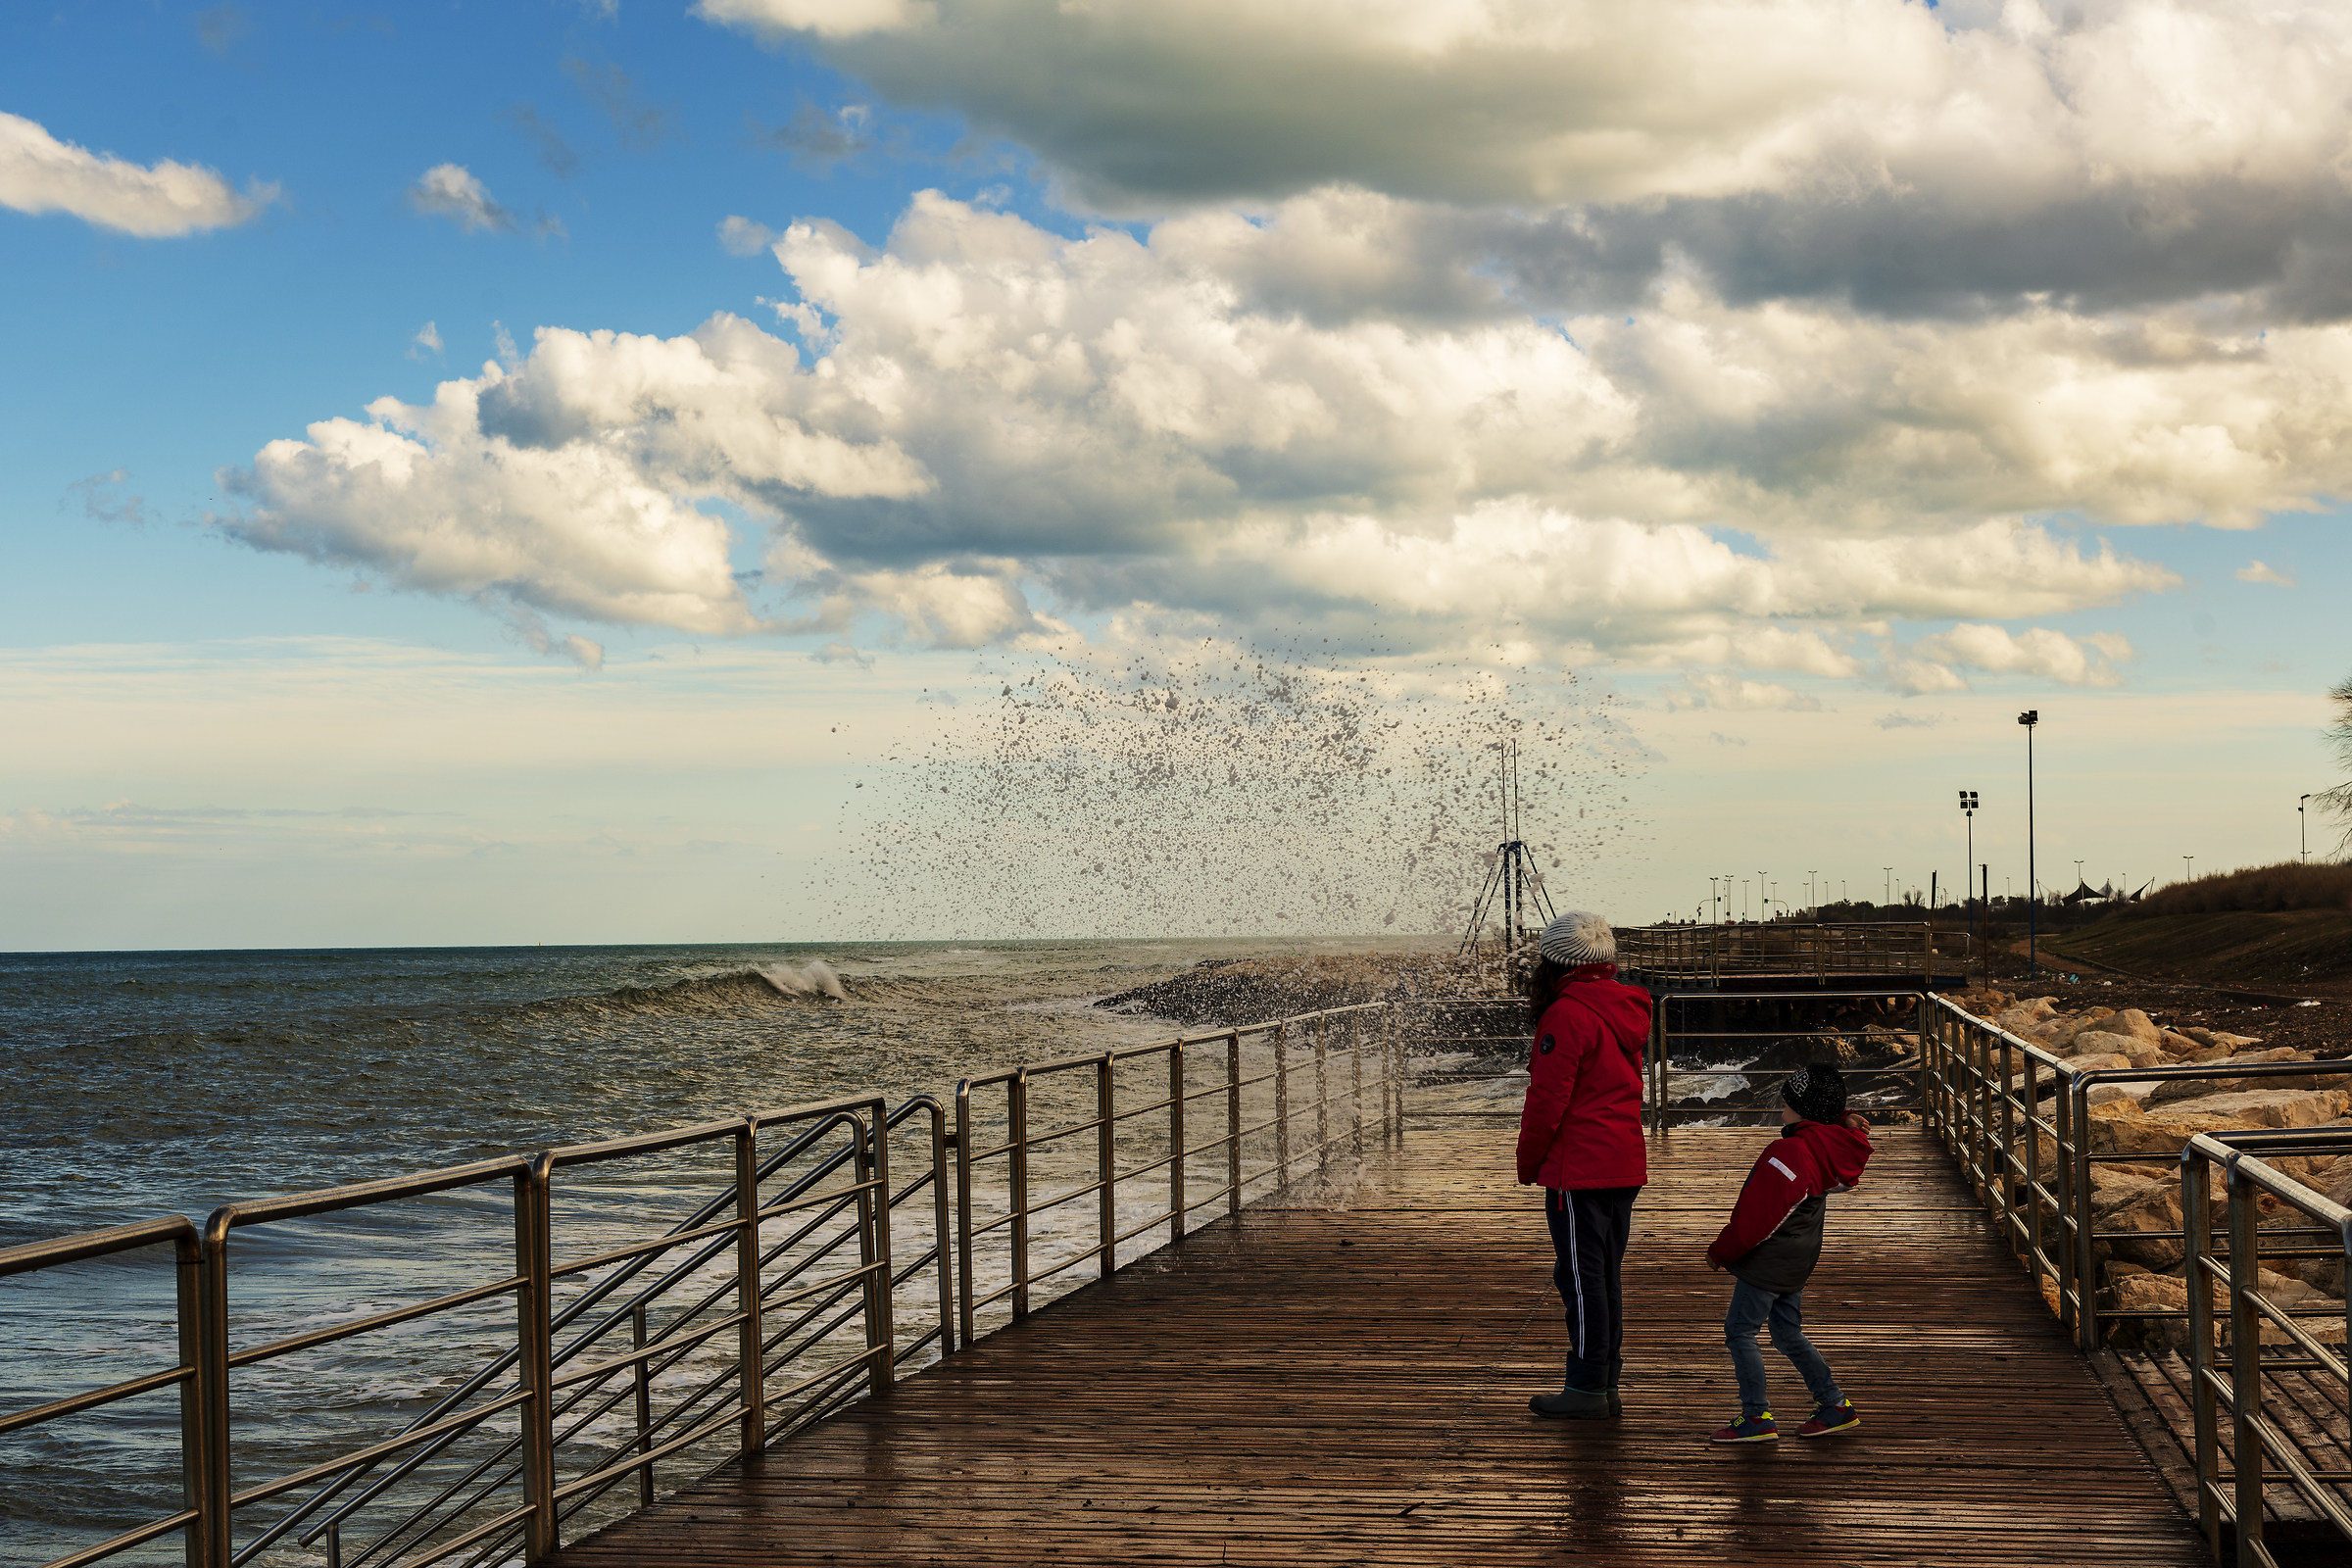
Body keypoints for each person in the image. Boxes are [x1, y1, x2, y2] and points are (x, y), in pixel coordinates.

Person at [1515, 910, 1653, 1420]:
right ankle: (1604, 1381)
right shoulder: (1625, 1006)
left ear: (1553, 963)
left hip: (1580, 1168)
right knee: (1603, 1277)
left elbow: (1548, 1098)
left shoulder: (1567, 1014)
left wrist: (1529, 1162)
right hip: (1621, 1161)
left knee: (1579, 1278)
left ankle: (1587, 1388)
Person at [1703, 1062, 1874, 1444]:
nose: (1782, 1109)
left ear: (1802, 1108)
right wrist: (1843, 1118)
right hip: (1798, 1258)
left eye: (1787, 1103)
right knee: (1786, 1333)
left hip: (1770, 1262)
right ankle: (1834, 1405)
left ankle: (1756, 1416)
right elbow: (1825, 1120)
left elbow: (1760, 1217)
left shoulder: (1791, 1153)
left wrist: (1721, 1250)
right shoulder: (1830, 1146)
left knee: (1740, 1331)